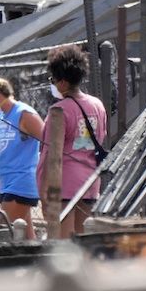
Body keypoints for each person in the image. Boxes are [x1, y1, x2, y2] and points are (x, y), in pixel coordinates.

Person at [42, 44, 107, 239]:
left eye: (53, 79)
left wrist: (43, 192)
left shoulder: (59, 111)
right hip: (90, 182)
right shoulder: (97, 105)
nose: (52, 83)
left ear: (62, 82)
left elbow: (48, 155)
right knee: (83, 244)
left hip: (63, 186)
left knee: (62, 247)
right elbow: (101, 137)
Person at [0, 68, 45, 235]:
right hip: (6, 181)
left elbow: (49, 142)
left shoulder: (24, 114)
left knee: (16, 233)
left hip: (22, 180)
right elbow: (2, 156)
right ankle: (37, 259)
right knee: (25, 233)